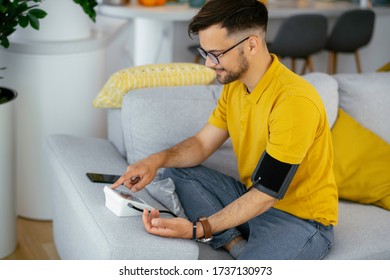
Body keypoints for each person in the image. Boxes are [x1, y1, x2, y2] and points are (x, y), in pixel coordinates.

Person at [112, 0, 338, 260]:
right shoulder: (235, 86)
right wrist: (155, 160)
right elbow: (201, 144)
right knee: (176, 169)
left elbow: (267, 194)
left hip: (300, 221)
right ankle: (235, 243)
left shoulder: (294, 101)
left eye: (216, 54)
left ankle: (240, 246)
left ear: (251, 45)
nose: (208, 64)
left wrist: (198, 229)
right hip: (253, 198)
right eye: (205, 52)